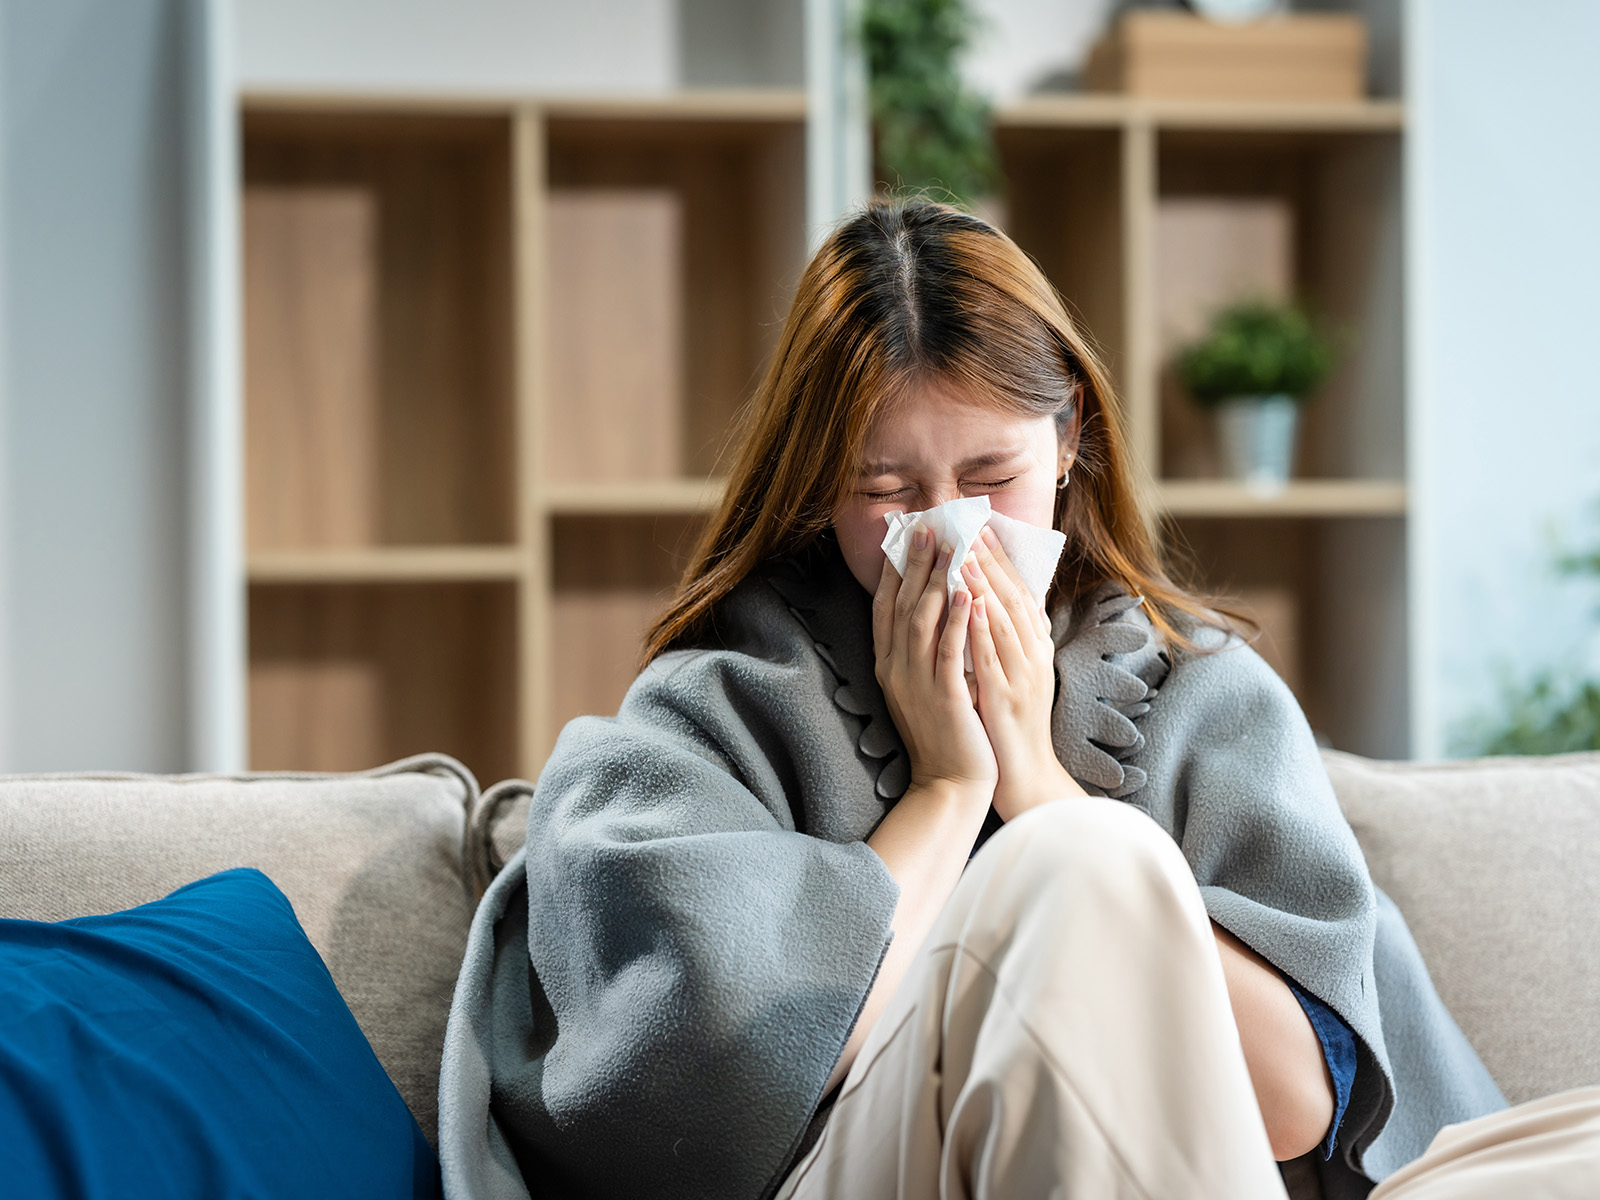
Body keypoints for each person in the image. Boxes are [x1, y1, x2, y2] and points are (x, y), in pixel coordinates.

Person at [437, 199, 1593, 1200]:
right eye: (883, 491)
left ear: (1070, 438)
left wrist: (1039, 788)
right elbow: (688, 1102)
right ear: (815, 489)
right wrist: (950, 792)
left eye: (993, 479)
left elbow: (1297, 1106)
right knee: (1084, 863)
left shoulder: (1206, 694)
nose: (951, 531)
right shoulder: (711, 710)